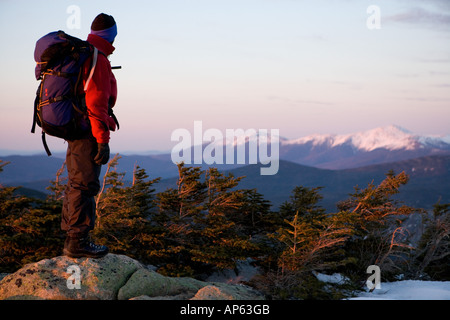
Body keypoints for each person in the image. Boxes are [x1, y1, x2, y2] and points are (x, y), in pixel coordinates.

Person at [61, 13, 118, 258]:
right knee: (85, 184)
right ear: (111, 34)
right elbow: (96, 102)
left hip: (75, 128)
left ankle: (73, 238)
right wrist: (102, 141)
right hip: (87, 131)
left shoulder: (85, 52)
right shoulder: (97, 58)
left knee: (76, 183)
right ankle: (78, 242)